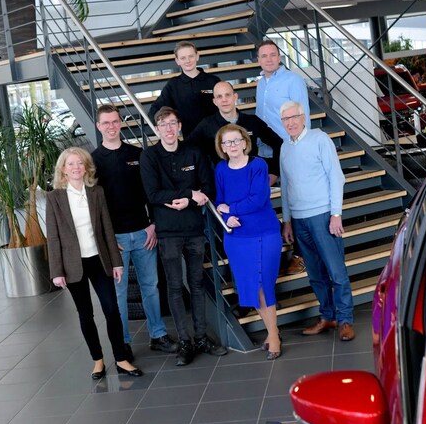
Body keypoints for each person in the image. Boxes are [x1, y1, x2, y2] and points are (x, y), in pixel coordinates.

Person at [140, 106, 228, 366]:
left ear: (179, 126)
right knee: (175, 286)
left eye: (172, 123)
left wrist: (188, 200)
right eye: (163, 125)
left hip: (193, 229)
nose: (168, 129)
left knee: (197, 284)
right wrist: (189, 194)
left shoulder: (194, 152)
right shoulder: (149, 156)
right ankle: (184, 342)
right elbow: (153, 194)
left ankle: (201, 338)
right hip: (167, 232)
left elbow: (208, 187)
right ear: (157, 129)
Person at [46, 147, 144, 379]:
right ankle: (98, 360)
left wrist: (117, 262)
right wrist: (56, 271)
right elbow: (53, 237)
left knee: (111, 309)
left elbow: (107, 229)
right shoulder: (55, 197)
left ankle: (121, 358)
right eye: (71, 164)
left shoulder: (96, 192)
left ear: (86, 167)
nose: (76, 167)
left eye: (80, 163)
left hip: (99, 260)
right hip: (72, 264)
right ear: (63, 169)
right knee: (85, 314)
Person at [91, 104, 179, 360]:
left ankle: (158, 335)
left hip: (143, 233)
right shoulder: (93, 161)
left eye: (114, 121)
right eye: (106, 123)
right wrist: (107, 239)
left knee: (150, 286)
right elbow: (94, 206)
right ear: (98, 126)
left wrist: (153, 224)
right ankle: (123, 343)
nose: (111, 126)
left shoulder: (138, 154)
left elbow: (151, 192)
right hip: (115, 239)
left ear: (120, 123)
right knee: (118, 293)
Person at [278, 100, 355, 341]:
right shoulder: (284, 148)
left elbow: (336, 177)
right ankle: (328, 316)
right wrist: (287, 221)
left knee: (336, 271)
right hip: (299, 219)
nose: (290, 122)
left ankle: (345, 320)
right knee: (315, 274)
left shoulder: (320, 139)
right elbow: (285, 187)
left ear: (304, 118)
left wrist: (336, 214)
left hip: (323, 216)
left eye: (294, 117)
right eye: (285, 119)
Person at [214, 124, 283, 359]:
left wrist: (231, 209)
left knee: (263, 285)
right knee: (251, 287)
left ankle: (274, 337)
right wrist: (227, 217)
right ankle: (272, 333)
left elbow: (258, 199)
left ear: (245, 142)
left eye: (236, 140)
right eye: (227, 142)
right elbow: (220, 202)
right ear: (222, 147)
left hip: (264, 233)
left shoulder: (258, 165)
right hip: (237, 238)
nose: (232, 145)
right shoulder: (221, 169)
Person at [255, 38, 311, 276]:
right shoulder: (261, 84)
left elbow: (303, 115)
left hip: (289, 147)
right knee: (263, 197)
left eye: (272, 55)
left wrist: (301, 147)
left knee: (295, 198)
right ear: (258, 59)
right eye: (264, 55)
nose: (268, 59)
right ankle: (276, 245)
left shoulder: (293, 80)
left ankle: (301, 254)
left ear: (279, 57)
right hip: (267, 151)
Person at [185, 81, 283, 186]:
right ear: (215, 101)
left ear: (235, 96)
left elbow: (279, 143)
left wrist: (274, 173)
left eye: (227, 95)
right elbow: (187, 149)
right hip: (223, 186)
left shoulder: (252, 121)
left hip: (253, 183)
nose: (224, 100)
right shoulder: (207, 125)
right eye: (219, 96)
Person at [147, 41, 221, 138]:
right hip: (190, 139)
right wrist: (164, 128)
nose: (188, 61)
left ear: (197, 56)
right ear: (177, 61)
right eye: (183, 58)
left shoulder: (213, 80)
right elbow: (154, 110)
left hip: (217, 137)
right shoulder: (173, 85)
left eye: (191, 56)